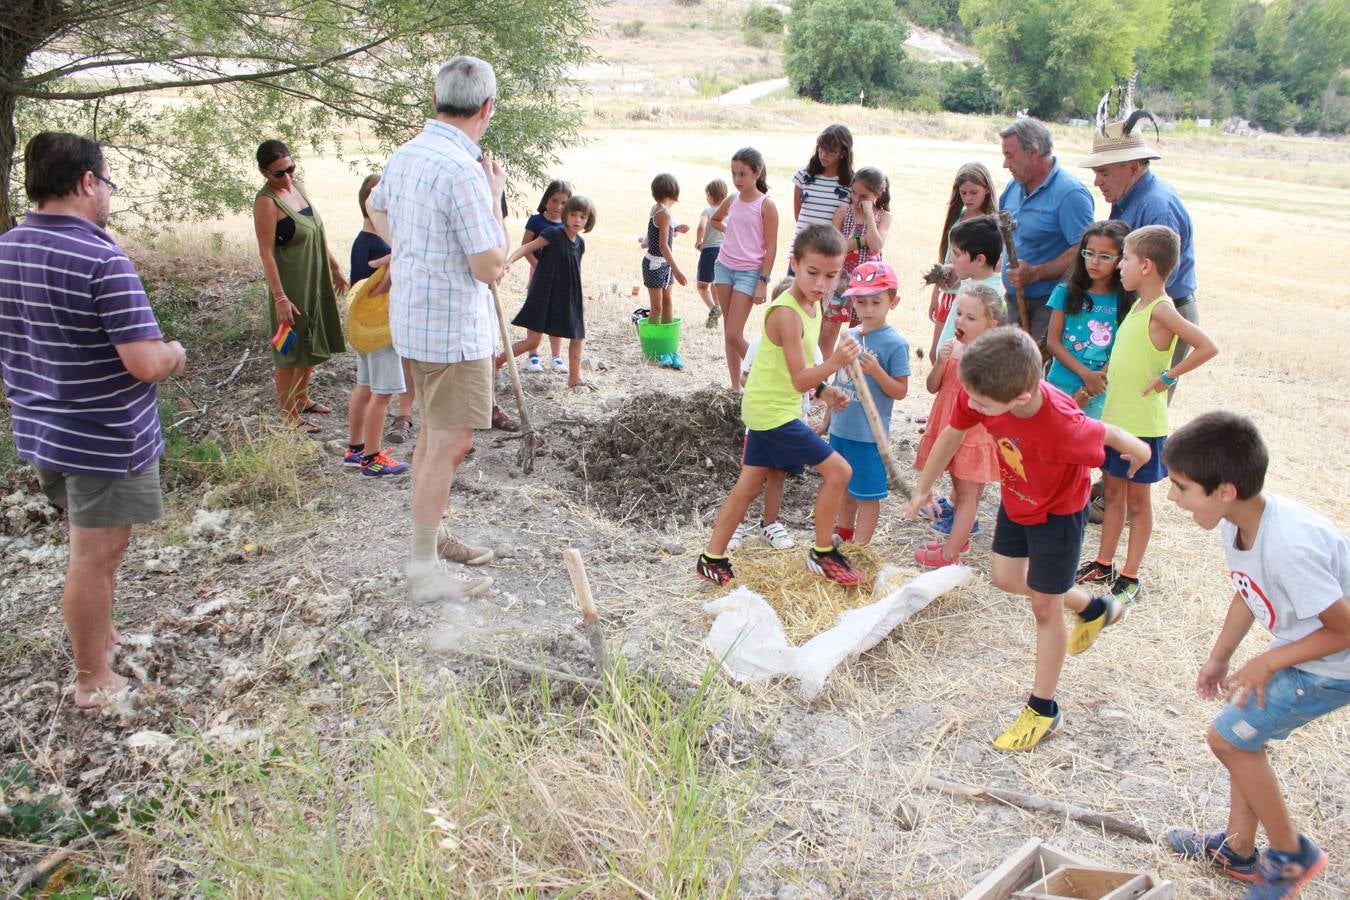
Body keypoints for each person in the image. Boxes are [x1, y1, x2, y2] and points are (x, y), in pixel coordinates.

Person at [0, 131, 187, 708]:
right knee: (92, 552)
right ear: (86, 182)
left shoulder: (8, 248)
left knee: (102, 546)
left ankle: (102, 636)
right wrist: (176, 352)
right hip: (104, 439)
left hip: (43, 429)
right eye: (106, 182)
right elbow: (145, 362)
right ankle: (91, 679)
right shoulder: (102, 258)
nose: (107, 194)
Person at [902, 328, 1151, 751]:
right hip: (1018, 496)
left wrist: (1140, 451)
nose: (972, 406)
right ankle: (1093, 607)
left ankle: (1043, 708)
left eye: (982, 405)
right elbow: (953, 432)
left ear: (1019, 398)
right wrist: (924, 486)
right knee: (1005, 576)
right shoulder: (982, 386)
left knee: (1043, 604)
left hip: (1059, 511)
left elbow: (1104, 433)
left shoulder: (1063, 424)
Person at [1161, 411, 1347, 898]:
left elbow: (1346, 629)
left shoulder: (1289, 544)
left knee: (1227, 739)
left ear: (1224, 490)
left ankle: (1290, 856)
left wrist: (1270, 660)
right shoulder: (1238, 520)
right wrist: (1221, 656)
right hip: (1307, 653)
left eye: (1181, 487)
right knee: (1242, 735)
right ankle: (1239, 851)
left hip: (1333, 668)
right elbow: (1248, 591)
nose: (1171, 497)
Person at [365, 55, 509, 600]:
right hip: (452, 328)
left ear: (435, 101)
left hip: (415, 322)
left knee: (432, 433)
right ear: (487, 108)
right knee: (450, 441)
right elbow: (490, 266)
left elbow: (376, 211)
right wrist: (494, 197)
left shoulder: (406, 155)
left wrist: (409, 249)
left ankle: (432, 535)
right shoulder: (464, 172)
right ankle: (423, 569)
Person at [697, 224, 863, 587]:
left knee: (747, 487)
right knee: (840, 472)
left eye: (831, 276)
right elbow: (797, 379)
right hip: (773, 414)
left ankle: (711, 557)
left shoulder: (812, 306)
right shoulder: (786, 313)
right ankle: (821, 554)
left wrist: (824, 390)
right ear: (794, 264)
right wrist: (834, 364)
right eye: (812, 272)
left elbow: (801, 374)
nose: (821, 283)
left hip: (769, 408)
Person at [1076, 225, 1218, 607]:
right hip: (1118, 422)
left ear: (1147, 265)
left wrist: (1168, 376)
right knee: (1114, 495)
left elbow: (1207, 346)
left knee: (1138, 505)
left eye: (1125, 259)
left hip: (1142, 429)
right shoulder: (1138, 305)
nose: (1119, 265)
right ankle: (1103, 563)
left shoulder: (1162, 309)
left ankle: (1130, 574)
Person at [1082, 91, 1198, 401]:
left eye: (1104, 172)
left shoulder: (1156, 206)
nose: (1098, 182)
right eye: (1096, 173)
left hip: (1160, 316)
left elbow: (1160, 279)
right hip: (1138, 312)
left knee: (1142, 407)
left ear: (1133, 167)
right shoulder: (1127, 198)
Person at [251, 139, 348, 434]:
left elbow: (317, 231)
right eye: (279, 173)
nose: (287, 177)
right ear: (264, 173)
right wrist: (280, 298)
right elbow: (266, 252)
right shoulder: (267, 202)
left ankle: (302, 398)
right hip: (291, 285)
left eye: (290, 168)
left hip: (315, 279)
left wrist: (333, 266)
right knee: (289, 348)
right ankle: (289, 416)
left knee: (313, 339)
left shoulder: (297, 188)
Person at [912, 284, 1004, 567]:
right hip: (947, 427)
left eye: (971, 318)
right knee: (959, 489)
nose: (961, 321)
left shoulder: (989, 359)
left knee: (967, 496)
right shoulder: (953, 348)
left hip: (971, 435)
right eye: (959, 313)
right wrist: (940, 362)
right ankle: (957, 542)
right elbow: (932, 386)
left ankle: (950, 554)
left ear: (991, 326)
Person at [823, 261, 909, 546]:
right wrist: (827, 419)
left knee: (867, 494)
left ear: (892, 302)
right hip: (841, 428)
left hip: (869, 435)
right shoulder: (848, 335)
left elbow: (900, 391)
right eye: (861, 302)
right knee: (843, 487)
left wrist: (876, 372)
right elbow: (837, 378)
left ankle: (860, 547)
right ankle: (844, 533)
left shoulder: (895, 344)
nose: (868, 309)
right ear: (852, 303)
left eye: (876, 302)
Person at [998, 118, 1094, 342]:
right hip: (1014, 302)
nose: (1005, 164)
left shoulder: (1070, 194)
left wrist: (1036, 273)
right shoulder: (1012, 188)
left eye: (1010, 156)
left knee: (1037, 372)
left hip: (1050, 306)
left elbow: (1085, 251)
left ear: (1033, 152)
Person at [343, 174, 410, 479]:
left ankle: (356, 447)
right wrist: (397, 262)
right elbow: (375, 289)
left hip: (366, 330)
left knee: (365, 387)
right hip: (380, 330)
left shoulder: (365, 241)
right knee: (382, 394)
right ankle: (372, 456)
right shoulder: (373, 244)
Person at [502, 195, 596, 388]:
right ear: (566, 215)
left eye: (583, 217)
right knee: (532, 341)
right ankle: (496, 362)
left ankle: (574, 378)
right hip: (544, 294)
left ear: (588, 220)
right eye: (573, 215)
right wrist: (508, 262)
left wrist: (578, 297)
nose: (578, 220)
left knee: (577, 335)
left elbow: (574, 270)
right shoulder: (553, 234)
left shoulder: (580, 243)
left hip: (567, 296)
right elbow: (527, 247)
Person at [1045, 220, 1131, 419]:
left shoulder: (1127, 301)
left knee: (1090, 445)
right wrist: (1085, 374)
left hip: (1102, 388)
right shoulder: (1064, 292)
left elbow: (1122, 349)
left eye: (1105, 256)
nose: (1094, 261)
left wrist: (1093, 385)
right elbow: (1053, 342)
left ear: (1121, 259)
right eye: (1089, 253)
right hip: (1060, 383)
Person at [711, 147, 778, 390]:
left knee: (733, 334)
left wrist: (763, 280)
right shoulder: (732, 199)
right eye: (734, 174)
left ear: (757, 173)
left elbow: (771, 248)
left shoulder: (766, 205)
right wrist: (731, 231)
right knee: (728, 332)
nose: (737, 180)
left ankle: (766, 373)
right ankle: (735, 387)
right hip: (724, 267)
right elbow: (715, 220)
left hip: (749, 272)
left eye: (742, 174)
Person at [773, 124, 854, 299]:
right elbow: (798, 214)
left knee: (819, 306)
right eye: (821, 149)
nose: (824, 155)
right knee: (792, 298)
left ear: (843, 153)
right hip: (802, 247)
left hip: (829, 252)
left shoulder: (849, 184)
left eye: (831, 151)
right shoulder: (804, 176)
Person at [928, 162, 998, 362]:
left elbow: (996, 263)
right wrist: (935, 294)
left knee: (959, 353)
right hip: (948, 295)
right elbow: (946, 257)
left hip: (970, 296)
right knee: (937, 353)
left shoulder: (990, 223)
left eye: (973, 192)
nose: (968, 198)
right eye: (963, 193)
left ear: (987, 189)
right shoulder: (958, 216)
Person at [822, 167, 892, 356]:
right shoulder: (843, 213)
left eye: (864, 196)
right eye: (854, 193)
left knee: (858, 336)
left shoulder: (883, 217)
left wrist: (869, 215)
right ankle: (820, 380)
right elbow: (835, 248)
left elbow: (876, 246)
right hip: (840, 280)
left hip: (867, 282)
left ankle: (850, 381)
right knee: (826, 336)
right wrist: (861, 241)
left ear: (877, 194)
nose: (856, 199)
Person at [520, 179, 573, 373]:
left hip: (560, 278)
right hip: (539, 274)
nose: (558, 206)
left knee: (556, 313)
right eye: (554, 200)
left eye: (564, 203)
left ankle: (556, 357)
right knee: (536, 313)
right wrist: (538, 268)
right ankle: (533, 355)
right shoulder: (536, 221)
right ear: (546, 200)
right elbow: (525, 247)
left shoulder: (568, 225)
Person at [933, 215, 1005, 351]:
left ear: (980, 260)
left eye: (957, 254)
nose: (952, 260)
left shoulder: (988, 296)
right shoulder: (970, 282)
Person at [641, 173, 689, 369]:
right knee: (657, 307)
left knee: (668, 303)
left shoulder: (662, 210)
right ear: (675, 193)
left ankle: (669, 348)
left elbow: (662, 232)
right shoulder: (664, 213)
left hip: (663, 265)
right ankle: (655, 348)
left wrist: (676, 229)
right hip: (656, 264)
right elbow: (662, 245)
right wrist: (677, 270)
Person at [694, 179, 728, 329]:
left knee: (702, 286)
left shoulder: (707, 211)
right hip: (724, 252)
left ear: (709, 195)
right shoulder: (727, 212)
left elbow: (701, 225)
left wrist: (698, 241)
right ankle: (717, 309)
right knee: (716, 284)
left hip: (709, 251)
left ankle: (714, 308)